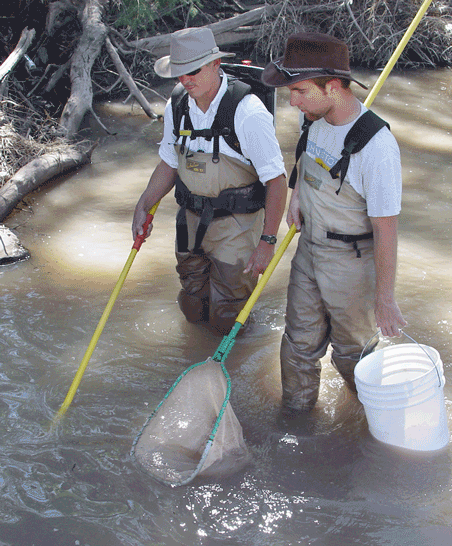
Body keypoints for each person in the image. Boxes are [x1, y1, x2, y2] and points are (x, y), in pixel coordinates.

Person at [262, 32, 407, 414]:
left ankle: (370, 423)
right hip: (308, 249)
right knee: (296, 347)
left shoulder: (377, 148)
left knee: (352, 357)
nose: (291, 101)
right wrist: (297, 198)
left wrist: (385, 299)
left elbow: (386, 229)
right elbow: (305, 158)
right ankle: (295, 423)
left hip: (352, 263)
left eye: (299, 91)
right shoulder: (312, 114)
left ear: (333, 87)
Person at [132, 27, 287, 334]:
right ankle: (196, 352)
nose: (185, 80)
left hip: (236, 223)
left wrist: (267, 242)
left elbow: (277, 180)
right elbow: (169, 162)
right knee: (192, 305)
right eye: (179, 74)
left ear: (216, 64)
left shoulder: (248, 112)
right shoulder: (177, 105)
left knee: (228, 314)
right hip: (188, 218)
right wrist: (144, 204)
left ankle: (232, 360)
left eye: (192, 71)